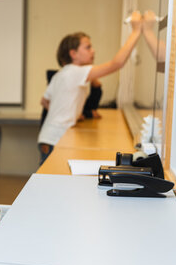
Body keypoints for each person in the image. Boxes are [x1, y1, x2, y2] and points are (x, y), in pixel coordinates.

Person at [37, 11, 142, 165]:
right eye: (88, 47)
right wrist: (136, 31)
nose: (93, 51)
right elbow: (116, 64)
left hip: (47, 136)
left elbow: (44, 101)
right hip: (56, 138)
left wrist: (72, 113)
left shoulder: (61, 74)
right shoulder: (75, 72)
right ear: (73, 54)